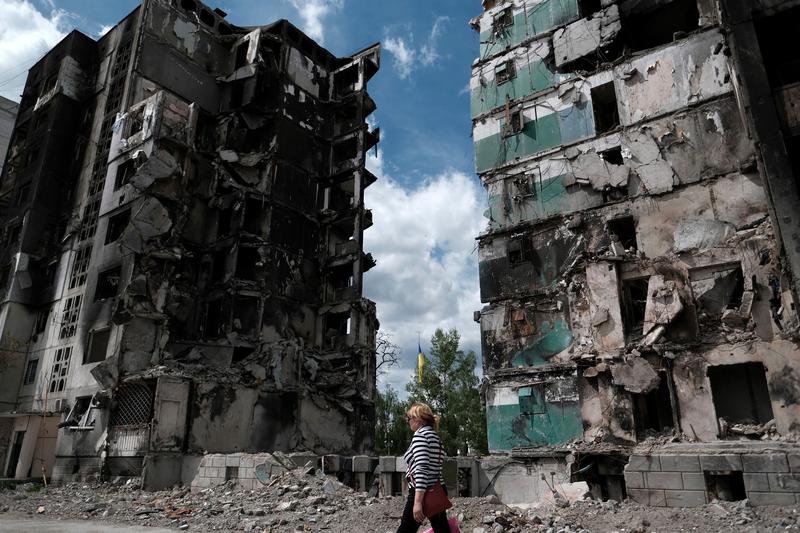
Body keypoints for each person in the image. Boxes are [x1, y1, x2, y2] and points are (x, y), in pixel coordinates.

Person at [397, 403, 450, 533]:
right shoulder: (435, 437)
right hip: (436, 489)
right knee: (442, 529)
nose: (408, 422)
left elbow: (421, 469)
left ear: (418, 419)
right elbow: (436, 466)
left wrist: (418, 502)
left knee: (405, 530)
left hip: (422, 490)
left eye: (409, 418)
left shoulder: (420, 436)